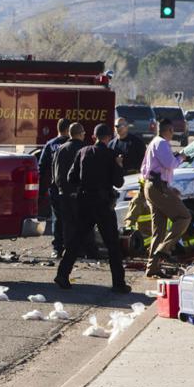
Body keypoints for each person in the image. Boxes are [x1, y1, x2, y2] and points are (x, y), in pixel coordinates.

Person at [55, 123, 130, 294]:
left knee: (75, 240)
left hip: (84, 202)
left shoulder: (82, 152)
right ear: (108, 138)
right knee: (112, 244)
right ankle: (118, 283)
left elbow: (71, 178)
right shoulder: (111, 155)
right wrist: (118, 165)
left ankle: (62, 274)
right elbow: (118, 182)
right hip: (103, 204)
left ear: (94, 137)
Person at [141, 118, 191, 277]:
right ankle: (163, 250)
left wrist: (168, 188)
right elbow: (170, 164)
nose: (173, 134)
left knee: (159, 230)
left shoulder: (153, 143)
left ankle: (153, 267)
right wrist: (181, 158)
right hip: (157, 188)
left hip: (154, 187)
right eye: (172, 131)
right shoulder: (161, 143)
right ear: (168, 130)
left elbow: (145, 168)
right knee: (184, 216)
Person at [53, 122, 98, 257]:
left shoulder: (60, 149)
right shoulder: (87, 149)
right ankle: (88, 251)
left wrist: (61, 188)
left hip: (64, 194)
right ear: (80, 134)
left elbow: (55, 171)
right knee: (85, 223)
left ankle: (71, 250)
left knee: (68, 225)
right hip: (82, 193)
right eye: (84, 133)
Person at [37, 118, 71, 256]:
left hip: (55, 187)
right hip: (71, 187)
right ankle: (71, 247)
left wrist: (41, 188)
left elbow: (41, 166)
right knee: (71, 217)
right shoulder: (71, 144)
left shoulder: (50, 144)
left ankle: (57, 248)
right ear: (68, 129)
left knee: (57, 218)